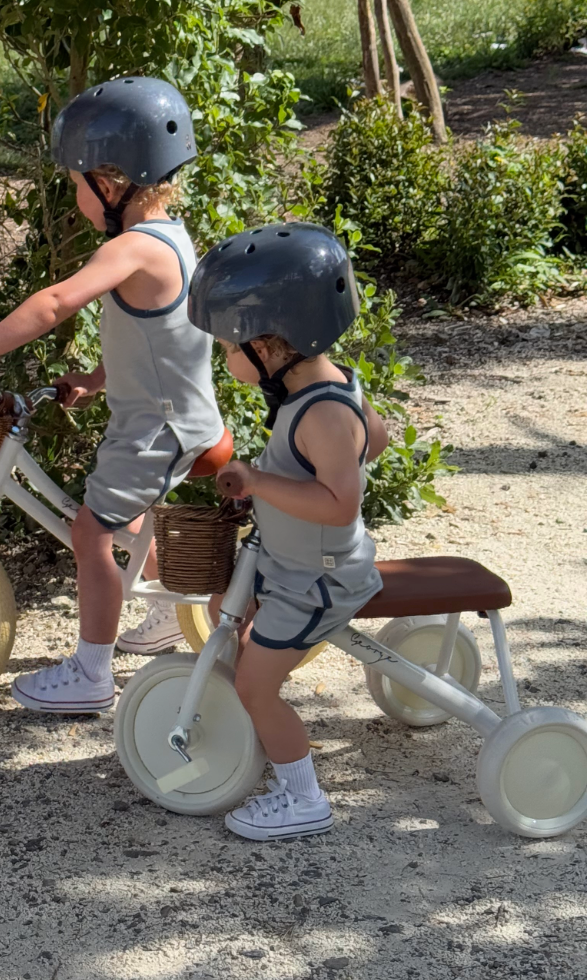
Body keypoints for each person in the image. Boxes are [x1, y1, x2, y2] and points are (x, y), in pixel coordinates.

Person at [0, 76, 224, 712]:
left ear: (113, 179)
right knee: (124, 515)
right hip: (177, 418)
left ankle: (90, 672)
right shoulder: (171, 238)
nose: (75, 195)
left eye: (77, 182)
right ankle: (160, 611)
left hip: (157, 430)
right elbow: (164, 335)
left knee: (89, 532)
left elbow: (54, 302)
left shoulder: (132, 248)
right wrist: (99, 379)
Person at [187, 222, 389, 840]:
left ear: (270, 344)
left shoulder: (321, 412)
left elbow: (337, 507)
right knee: (223, 606)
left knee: (256, 685)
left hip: (317, 582)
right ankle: (248, 734)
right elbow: (374, 440)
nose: (224, 358)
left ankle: (303, 798)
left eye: (229, 346)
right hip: (292, 563)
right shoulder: (328, 388)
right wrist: (278, 490)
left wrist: (260, 483)